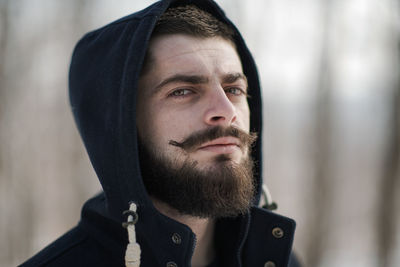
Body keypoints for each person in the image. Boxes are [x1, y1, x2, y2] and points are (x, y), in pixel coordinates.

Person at [21, 0, 300, 266]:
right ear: (122, 125)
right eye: (182, 91)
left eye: (234, 90)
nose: (227, 111)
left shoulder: (278, 259)